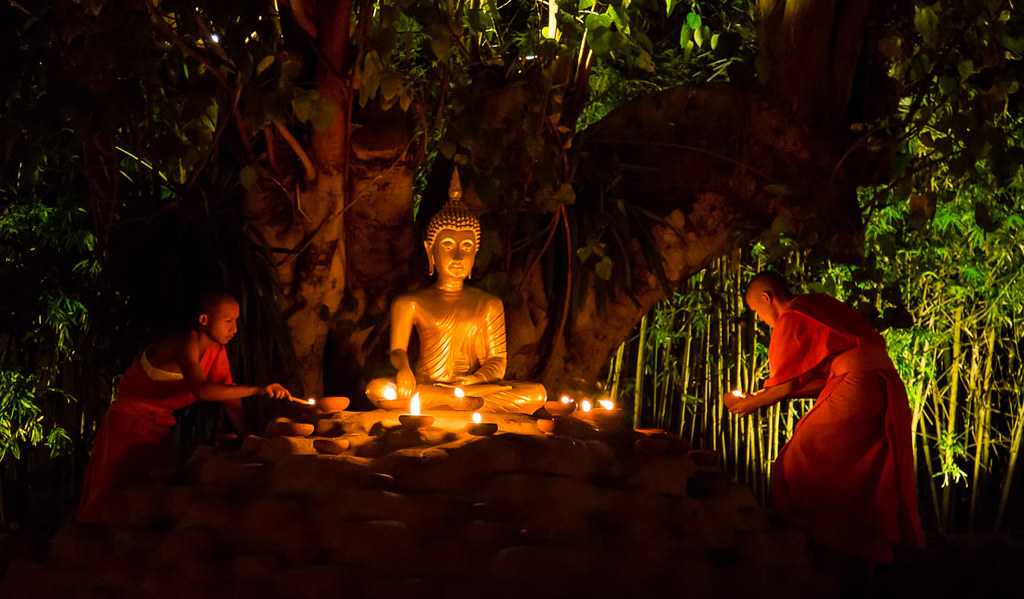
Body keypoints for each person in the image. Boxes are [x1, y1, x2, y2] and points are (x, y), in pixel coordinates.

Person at [722, 271, 924, 565]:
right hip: (879, 381)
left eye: (756, 311)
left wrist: (749, 404)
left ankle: (821, 544)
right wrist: (759, 398)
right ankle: (863, 547)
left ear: (767, 298)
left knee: (799, 458)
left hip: (859, 381)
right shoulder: (815, 304)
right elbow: (815, 383)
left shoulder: (791, 318)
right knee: (865, 466)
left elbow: (788, 385)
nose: (760, 319)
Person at [78, 292, 297, 522]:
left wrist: (248, 438)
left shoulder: (216, 350)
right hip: (128, 422)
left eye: (237, 321)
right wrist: (258, 390)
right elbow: (202, 390)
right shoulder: (186, 343)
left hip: (160, 425)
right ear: (204, 320)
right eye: (228, 321)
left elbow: (228, 396)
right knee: (117, 496)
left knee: (150, 498)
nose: (234, 329)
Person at [364, 169, 547, 414]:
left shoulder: (489, 304)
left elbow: (497, 362)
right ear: (431, 251)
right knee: (377, 389)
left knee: (536, 394)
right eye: (448, 245)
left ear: (475, 254)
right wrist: (404, 369)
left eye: (467, 246)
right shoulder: (411, 303)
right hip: (426, 385)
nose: (459, 255)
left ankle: (453, 401)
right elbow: (397, 350)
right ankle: (455, 403)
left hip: (472, 389)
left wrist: (474, 380)